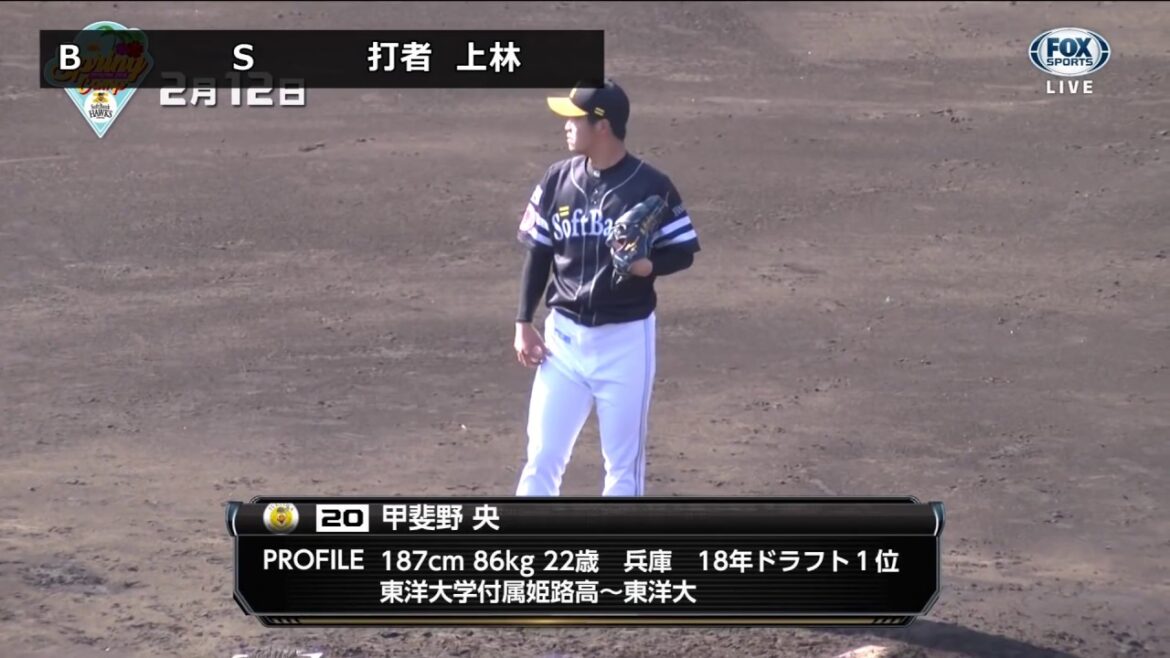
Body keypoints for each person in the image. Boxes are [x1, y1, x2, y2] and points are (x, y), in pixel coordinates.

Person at [512, 78, 701, 496]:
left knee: (622, 469)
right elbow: (539, 252)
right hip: (562, 342)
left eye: (574, 118)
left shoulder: (650, 185)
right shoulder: (557, 179)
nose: (565, 125)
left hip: (625, 343)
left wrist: (648, 266)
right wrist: (523, 321)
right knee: (541, 457)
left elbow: (684, 250)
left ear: (602, 125)